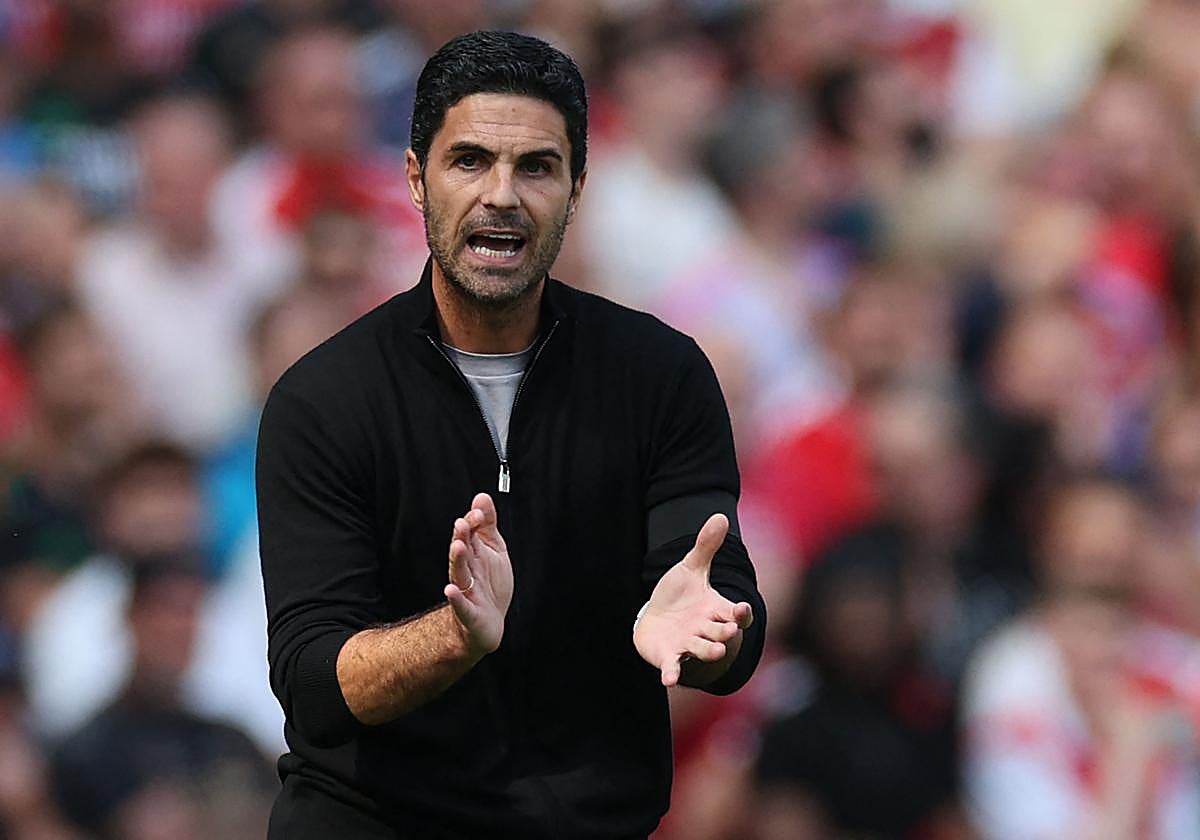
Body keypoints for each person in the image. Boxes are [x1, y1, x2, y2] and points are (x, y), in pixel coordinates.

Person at [256, 30, 767, 839]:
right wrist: (457, 634)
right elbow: (316, 682)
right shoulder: (323, 399)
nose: (502, 194)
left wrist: (707, 635)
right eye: (469, 162)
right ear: (417, 179)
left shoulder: (660, 375)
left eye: (536, 166)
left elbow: (719, 608)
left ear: (577, 188)